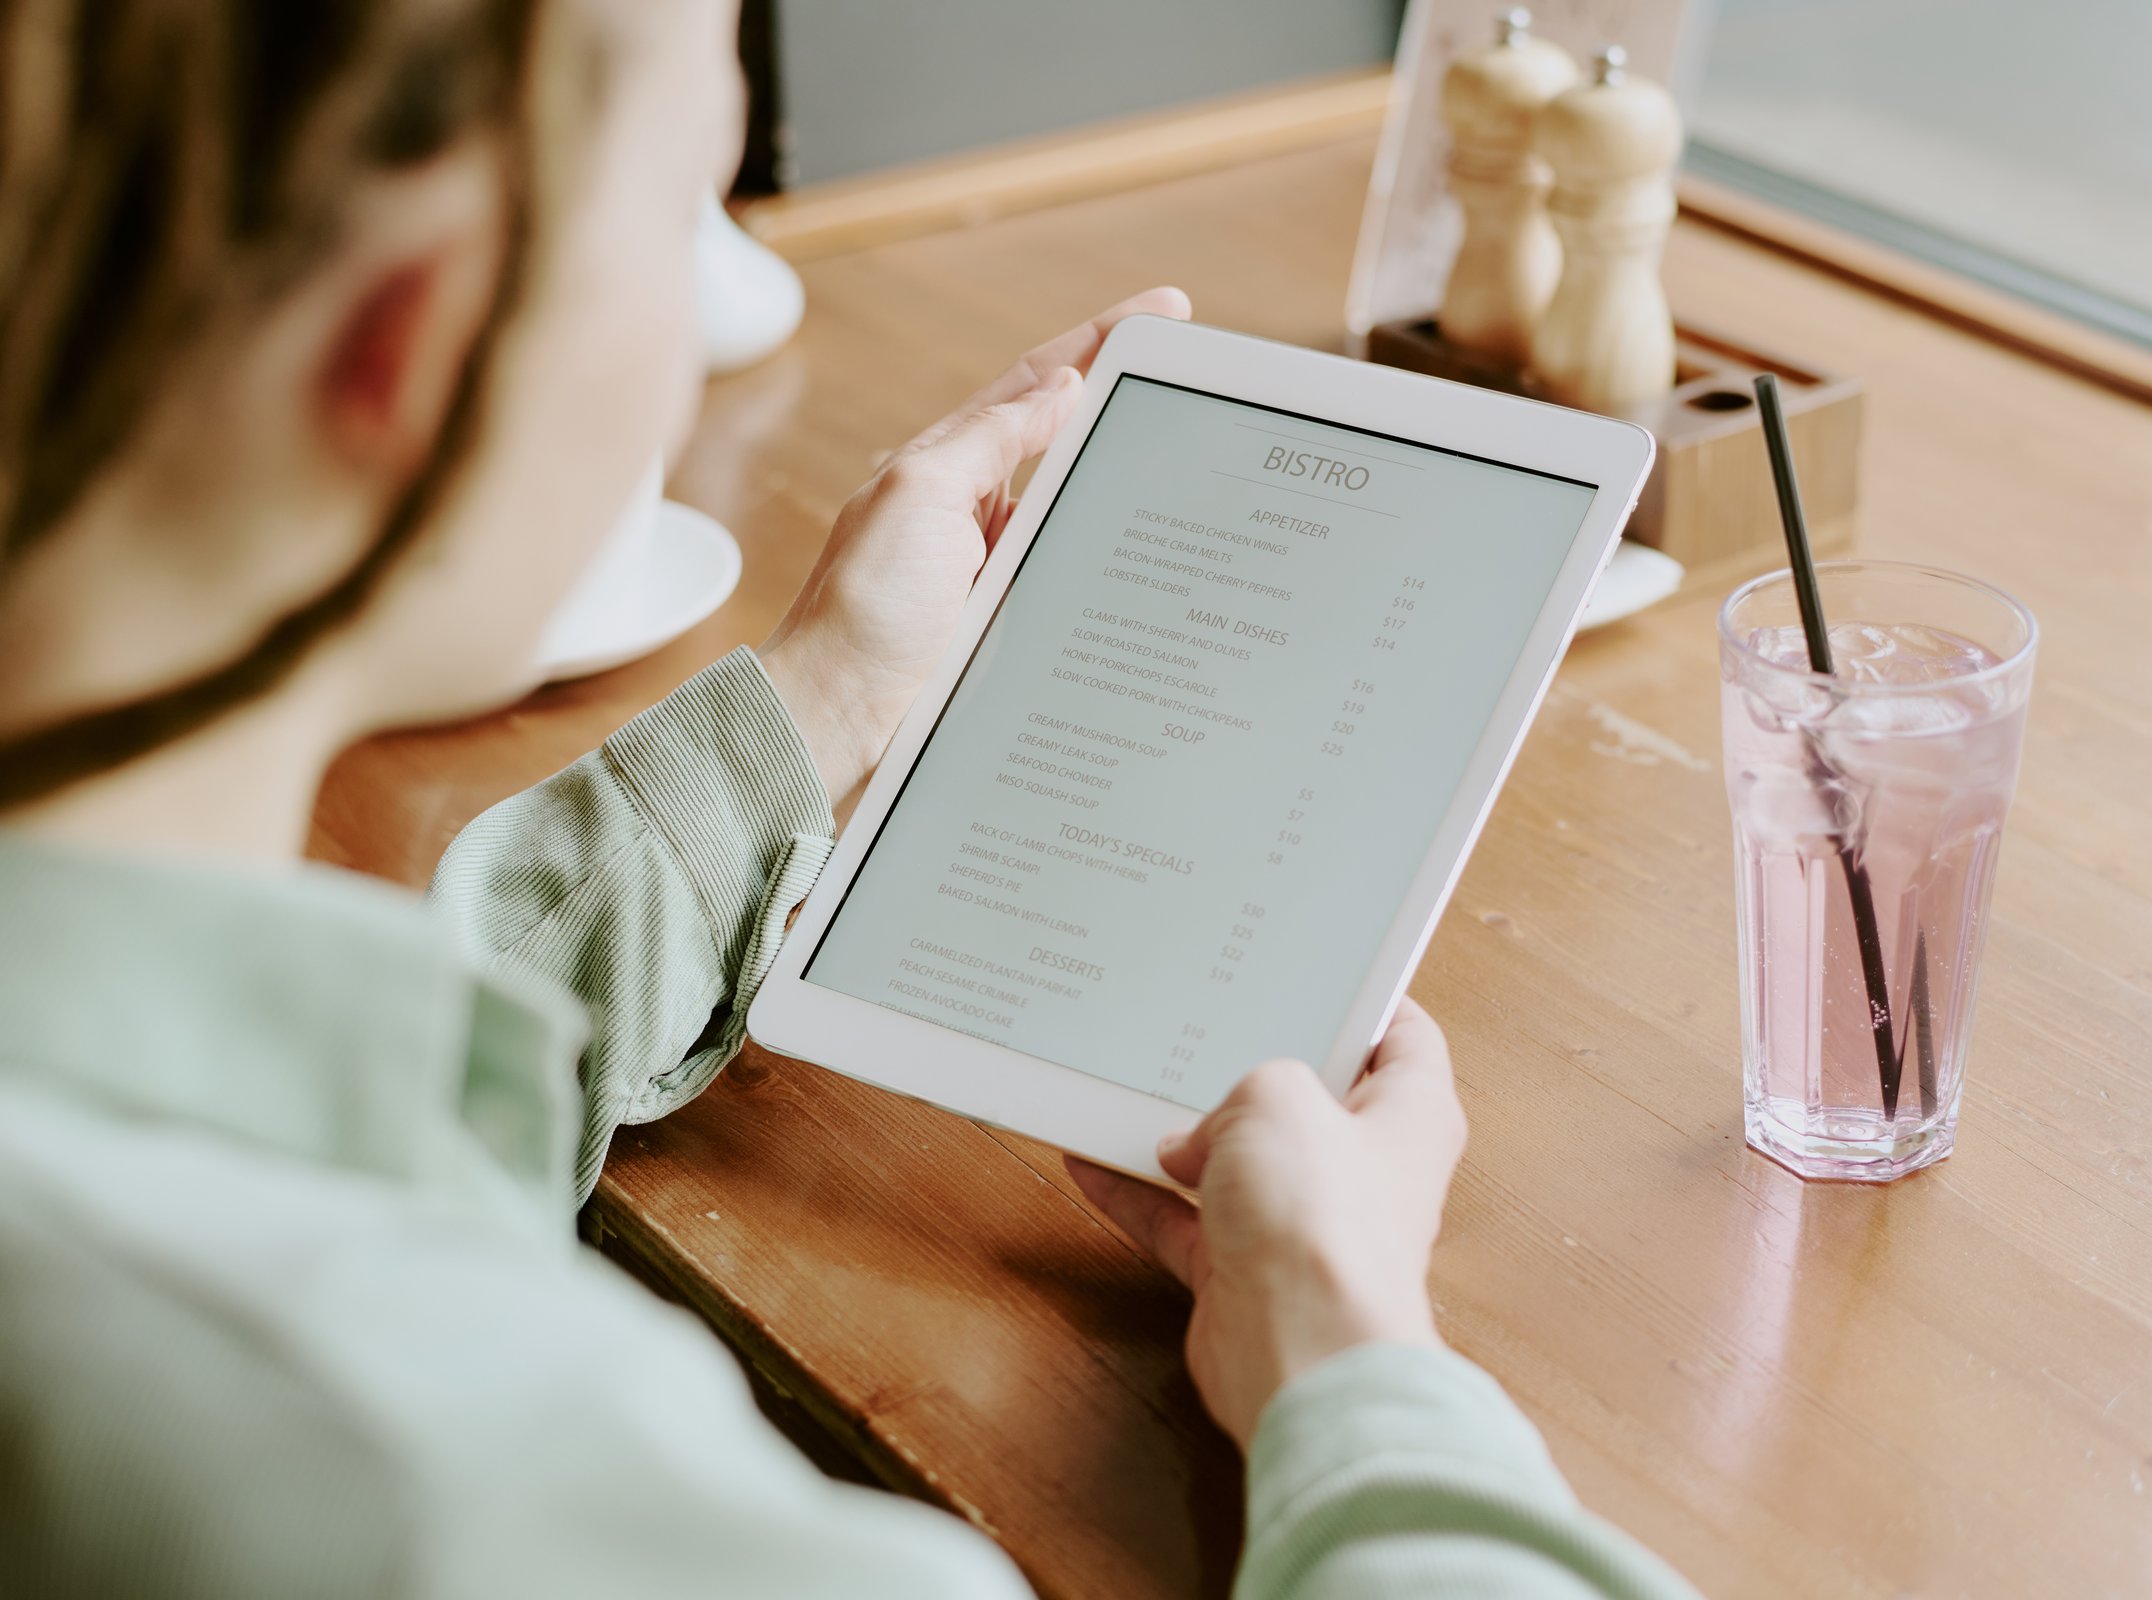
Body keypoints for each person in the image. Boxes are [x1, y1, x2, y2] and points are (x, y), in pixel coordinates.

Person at [0, 3, 1700, 1596]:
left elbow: (265, 1107)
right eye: (690, 205)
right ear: (423, 341)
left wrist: (817, 705)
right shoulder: (457, 1486)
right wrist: (1348, 1347)